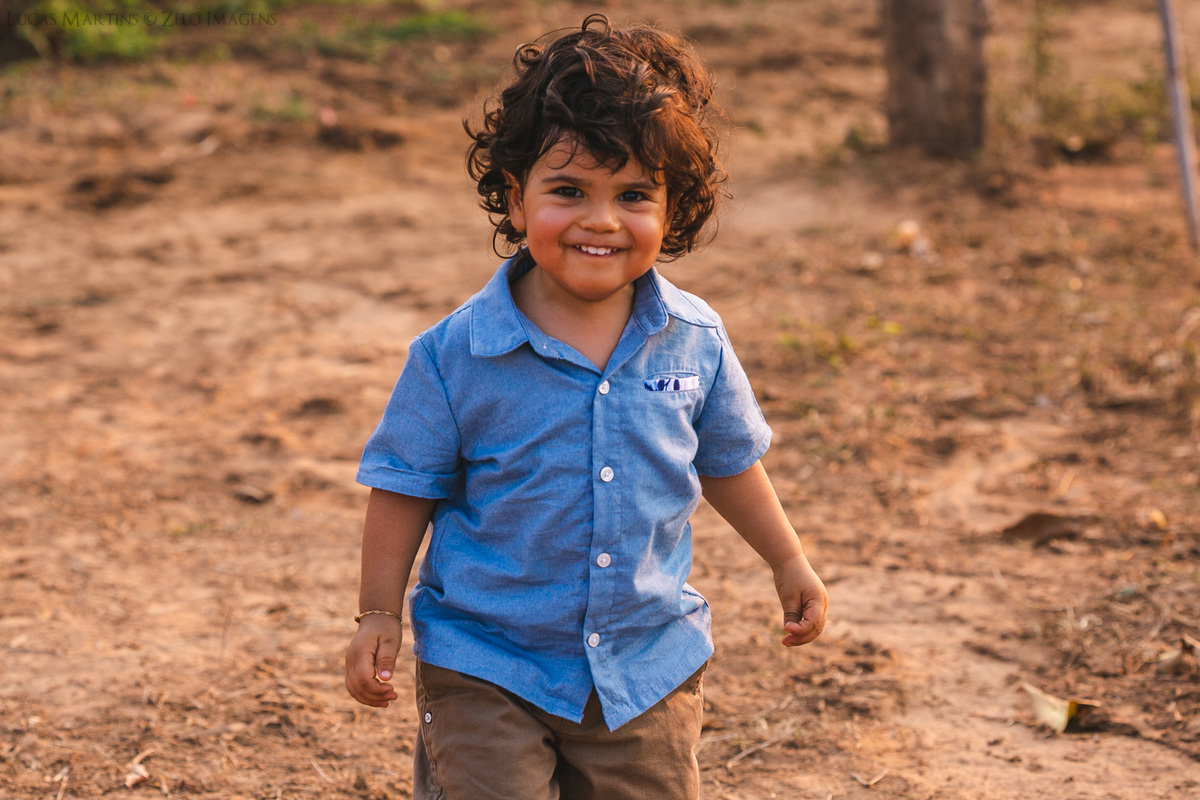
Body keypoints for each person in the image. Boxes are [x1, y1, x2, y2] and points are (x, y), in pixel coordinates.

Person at [344, 13, 827, 800]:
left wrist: (788, 559)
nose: (600, 220)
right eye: (568, 191)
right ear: (515, 196)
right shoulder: (454, 355)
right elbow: (404, 487)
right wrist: (377, 613)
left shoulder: (695, 341)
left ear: (673, 208)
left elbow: (728, 461)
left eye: (633, 195)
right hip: (487, 664)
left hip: (644, 668)